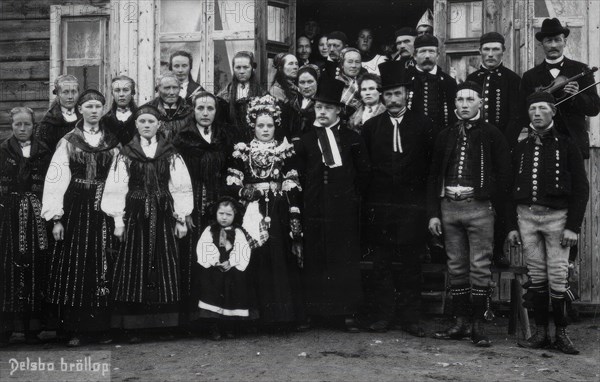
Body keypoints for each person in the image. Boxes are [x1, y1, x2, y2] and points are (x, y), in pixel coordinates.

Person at [428, 82, 511, 347]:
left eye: (469, 99)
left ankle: (478, 326)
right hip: (449, 207)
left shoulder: (493, 134)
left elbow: (504, 175)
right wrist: (433, 213)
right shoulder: (444, 134)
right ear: (454, 105)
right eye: (460, 100)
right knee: (456, 266)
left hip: (479, 208)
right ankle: (460, 323)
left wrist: (490, 202)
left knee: (479, 266)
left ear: (480, 103)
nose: (464, 104)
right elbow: (433, 176)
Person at [101, 104, 193, 343]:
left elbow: (181, 186)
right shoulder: (126, 153)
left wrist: (181, 218)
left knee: (165, 263)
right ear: (136, 125)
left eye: (151, 122)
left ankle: (166, 325)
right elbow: (116, 187)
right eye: (142, 122)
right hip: (135, 214)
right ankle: (134, 326)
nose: (147, 126)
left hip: (163, 212)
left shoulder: (170, 152)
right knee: (134, 264)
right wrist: (118, 221)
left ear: (159, 125)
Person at [507, 92, 589, 355]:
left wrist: (572, 227)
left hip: (557, 220)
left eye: (542, 108)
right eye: (532, 109)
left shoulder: (567, 144)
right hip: (527, 218)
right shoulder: (519, 147)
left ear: (553, 111)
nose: (537, 113)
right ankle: (541, 333)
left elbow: (581, 189)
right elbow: (508, 189)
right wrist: (512, 225)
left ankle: (561, 333)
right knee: (537, 277)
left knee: (557, 276)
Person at [41, 90, 120, 347]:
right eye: (89, 106)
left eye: (98, 106)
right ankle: (73, 329)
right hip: (75, 208)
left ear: (102, 110)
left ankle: (99, 329)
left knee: (102, 263)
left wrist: (118, 215)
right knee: (74, 266)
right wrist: (56, 218)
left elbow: (119, 181)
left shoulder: (113, 142)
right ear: (81, 110)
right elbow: (55, 180)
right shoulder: (69, 141)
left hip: (104, 208)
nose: (94, 110)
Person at [361, 62, 434, 336]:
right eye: (388, 94)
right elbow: (365, 170)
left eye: (398, 94)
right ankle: (383, 315)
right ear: (382, 96)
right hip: (380, 208)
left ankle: (411, 318)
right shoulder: (371, 127)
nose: (393, 99)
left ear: (407, 95)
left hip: (412, 207)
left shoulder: (424, 125)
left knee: (411, 265)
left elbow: (431, 169)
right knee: (381, 265)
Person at [294, 77, 370, 332]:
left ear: (338, 110)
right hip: (314, 207)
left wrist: (351, 200)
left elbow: (363, 174)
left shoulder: (352, 139)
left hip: (343, 209)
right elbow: (300, 176)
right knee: (315, 256)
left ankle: (346, 312)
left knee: (343, 257)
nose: (322, 112)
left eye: (327, 108)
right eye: (318, 108)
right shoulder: (305, 140)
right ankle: (314, 312)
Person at [226, 95, 304, 326]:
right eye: (260, 125)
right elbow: (232, 180)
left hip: (277, 208)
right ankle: (254, 318)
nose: (265, 129)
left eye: (270, 125)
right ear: (253, 125)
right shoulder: (243, 150)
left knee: (279, 257)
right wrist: (246, 194)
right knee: (254, 257)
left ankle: (280, 317)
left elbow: (292, 181)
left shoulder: (284, 150)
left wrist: (292, 209)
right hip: (251, 209)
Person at [173, 92, 233, 327]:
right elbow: (177, 178)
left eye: (210, 108)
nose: (205, 113)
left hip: (220, 201)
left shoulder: (225, 137)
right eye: (201, 108)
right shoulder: (183, 139)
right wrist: (183, 211)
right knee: (194, 257)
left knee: (222, 252)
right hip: (193, 203)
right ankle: (195, 318)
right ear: (193, 110)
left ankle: (221, 318)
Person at [466, 32, 522, 268]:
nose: (490, 54)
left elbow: (516, 116)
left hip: (502, 150)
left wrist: (504, 146)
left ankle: (498, 250)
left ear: (503, 51)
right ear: (480, 51)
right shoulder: (473, 77)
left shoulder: (512, 79)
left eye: (495, 50)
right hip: (475, 149)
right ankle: (474, 251)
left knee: (500, 197)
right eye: (486, 49)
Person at [0, 107, 52, 347]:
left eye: (27, 125)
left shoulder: (43, 151)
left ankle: (35, 326)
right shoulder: (2, 150)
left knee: (36, 262)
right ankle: (11, 326)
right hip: (8, 214)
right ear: (12, 126)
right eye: (18, 125)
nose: (22, 129)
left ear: (34, 126)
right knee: (10, 266)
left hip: (36, 212)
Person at [518, 18, 600, 159]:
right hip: (542, 143)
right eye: (549, 41)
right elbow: (522, 113)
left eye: (557, 40)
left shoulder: (581, 69)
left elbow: (594, 109)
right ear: (541, 44)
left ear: (565, 42)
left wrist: (576, 96)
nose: (553, 45)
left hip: (574, 143)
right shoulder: (529, 76)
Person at [195, 197, 253, 340]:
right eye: (221, 213)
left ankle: (229, 327)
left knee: (231, 295)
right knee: (213, 295)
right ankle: (214, 327)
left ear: (235, 216)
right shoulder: (210, 230)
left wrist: (231, 262)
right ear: (216, 213)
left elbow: (242, 249)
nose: (224, 218)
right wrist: (215, 261)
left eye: (228, 215)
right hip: (214, 271)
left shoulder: (238, 232)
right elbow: (204, 246)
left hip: (231, 271)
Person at [406, 34, 457, 135]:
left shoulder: (449, 82)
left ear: (438, 55)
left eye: (431, 51)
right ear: (415, 56)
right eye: (423, 51)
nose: (427, 56)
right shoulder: (405, 79)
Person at [217, 51, 266, 141]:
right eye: (238, 68)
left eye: (245, 67)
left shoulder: (262, 94)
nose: (242, 71)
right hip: (232, 139)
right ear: (233, 68)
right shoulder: (224, 95)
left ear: (252, 68)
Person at [36, 74, 80, 151]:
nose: (70, 96)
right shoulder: (49, 122)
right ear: (58, 94)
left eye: (73, 92)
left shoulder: (84, 118)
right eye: (65, 92)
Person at [146, 71, 193, 141]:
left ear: (180, 89)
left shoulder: (190, 110)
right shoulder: (148, 110)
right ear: (157, 89)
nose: (172, 92)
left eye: (175, 88)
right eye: (167, 88)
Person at [285, 64, 319, 142]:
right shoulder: (291, 104)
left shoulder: (322, 105)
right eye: (302, 82)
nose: (306, 86)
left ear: (317, 82)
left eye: (310, 82)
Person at [101, 75, 138, 146]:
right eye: (117, 90)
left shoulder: (141, 117)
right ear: (112, 93)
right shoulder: (105, 120)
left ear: (132, 92)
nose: (121, 94)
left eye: (126, 90)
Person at [336, 48, 365, 113]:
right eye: (350, 62)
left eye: (357, 62)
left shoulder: (364, 83)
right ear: (342, 64)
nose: (354, 66)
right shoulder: (336, 82)